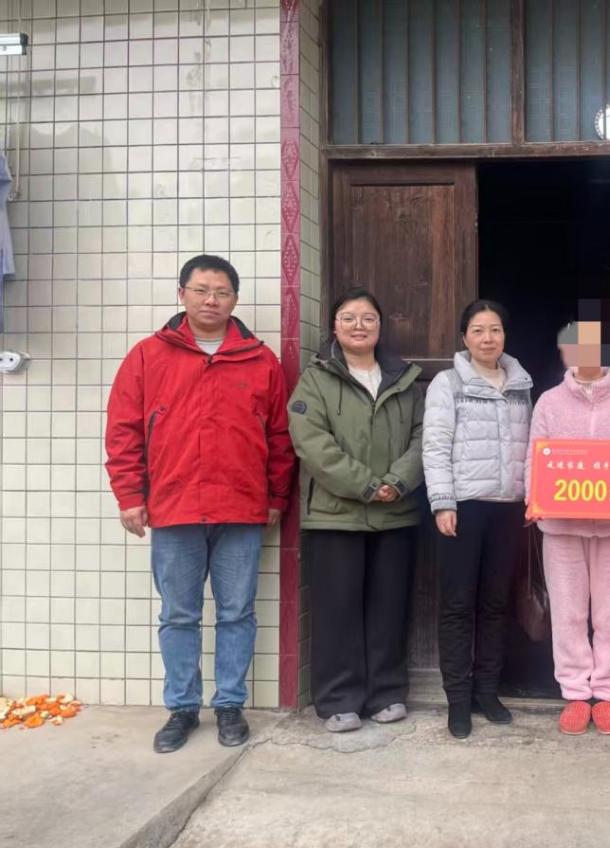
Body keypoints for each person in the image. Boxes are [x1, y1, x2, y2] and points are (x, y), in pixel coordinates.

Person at [105, 254, 295, 753]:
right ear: (182, 294)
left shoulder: (260, 360)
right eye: (201, 290)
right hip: (174, 507)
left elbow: (280, 436)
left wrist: (276, 496)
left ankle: (229, 704)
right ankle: (182, 708)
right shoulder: (148, 355)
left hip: (241, 508)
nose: (212, 300)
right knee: (178, 615)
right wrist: (130, 495)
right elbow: (123, 431)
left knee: (237, 612)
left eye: (222, 292)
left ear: (235, 299)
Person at [288, 288, 424, 734]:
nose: (359, 326)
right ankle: (339, 700)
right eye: (349, 318)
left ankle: (386, 692)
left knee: (389, 608)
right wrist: (366, 485)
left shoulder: (403, 379)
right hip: (335, 514)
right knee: (337, 609)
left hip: (395, 512)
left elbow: (424, 438)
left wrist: (396, 482)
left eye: (368, 318)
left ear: (380, 326)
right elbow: (312, 443)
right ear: (335, 326)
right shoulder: (316, 379)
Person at [526, 318, 610, 737]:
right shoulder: (549, 402)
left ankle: (606, 692)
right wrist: (534, 497)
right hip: (562, 526)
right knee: (568, 611)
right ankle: (576, 693)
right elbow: (535, 455)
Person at [423, 300, 533, 739]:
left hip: (508, 507)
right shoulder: (448, 383)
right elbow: (435, 445)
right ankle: (458, 698)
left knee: (496, 603)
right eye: (478, 330)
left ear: (505, 335)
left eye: (495, 330)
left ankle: (487, 691)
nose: (488, 338)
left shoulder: (521, 383)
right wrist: (442, 501)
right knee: (457, 605)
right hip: (464, 507)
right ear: (464, 337)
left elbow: (534, 446)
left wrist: (532, 498)